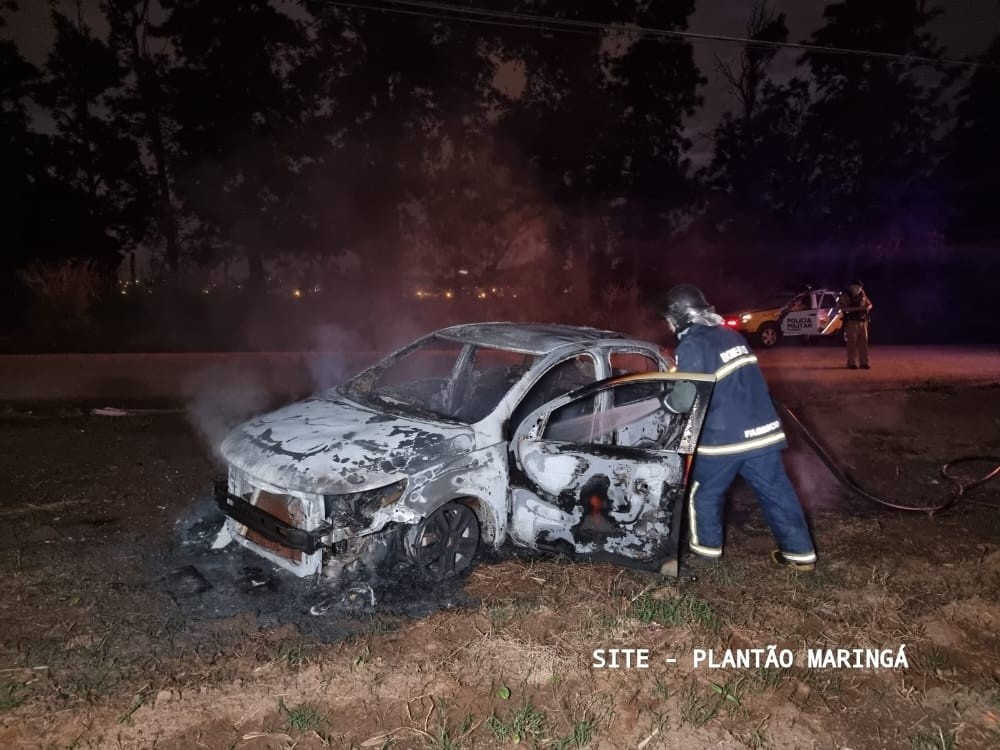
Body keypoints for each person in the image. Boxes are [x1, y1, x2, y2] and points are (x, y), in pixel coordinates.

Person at [661, 283, 817, 572]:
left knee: (704, 494)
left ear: (679, 316)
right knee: (777, 492)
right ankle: (800, 554)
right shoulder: (732, 335)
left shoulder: (692, 345)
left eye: (669, 319)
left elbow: (683, 400)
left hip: (724, 440)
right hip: (763, 432)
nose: (668, 325)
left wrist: (666, 403)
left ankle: (706, 556)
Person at [837, 281, 873, 369]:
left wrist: (868, 307)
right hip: (852, 322)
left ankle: (864, 363)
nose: (857, 289)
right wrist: (859, 308)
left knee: (863, 343)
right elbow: (843, 309)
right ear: (851, 287)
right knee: (852, 343)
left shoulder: (862, 295)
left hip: (862, 322)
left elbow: (869, 304)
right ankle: (851, 363)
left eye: (859, 288)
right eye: (855, 287)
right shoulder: (846, 296)